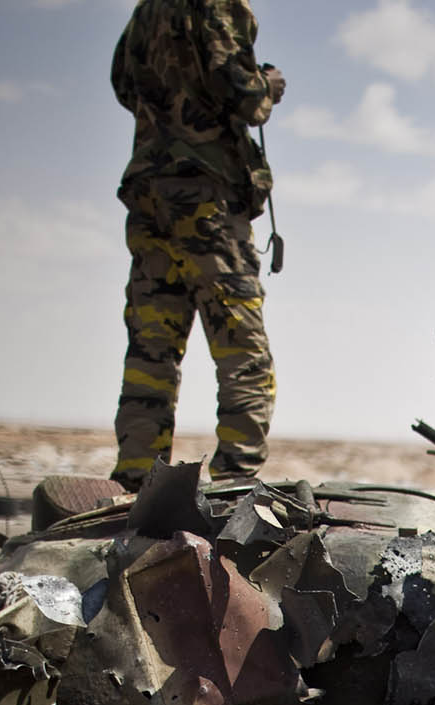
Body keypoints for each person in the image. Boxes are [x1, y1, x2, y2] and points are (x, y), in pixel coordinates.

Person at [109, 0, 282, 492]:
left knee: (151, 350)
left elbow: (125, 84)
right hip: (206, 197)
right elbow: (243, 95)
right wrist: (267, 86)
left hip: (151, 197)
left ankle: (135, 486)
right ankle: (234, 486)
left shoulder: (148, 10)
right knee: (242, 351)